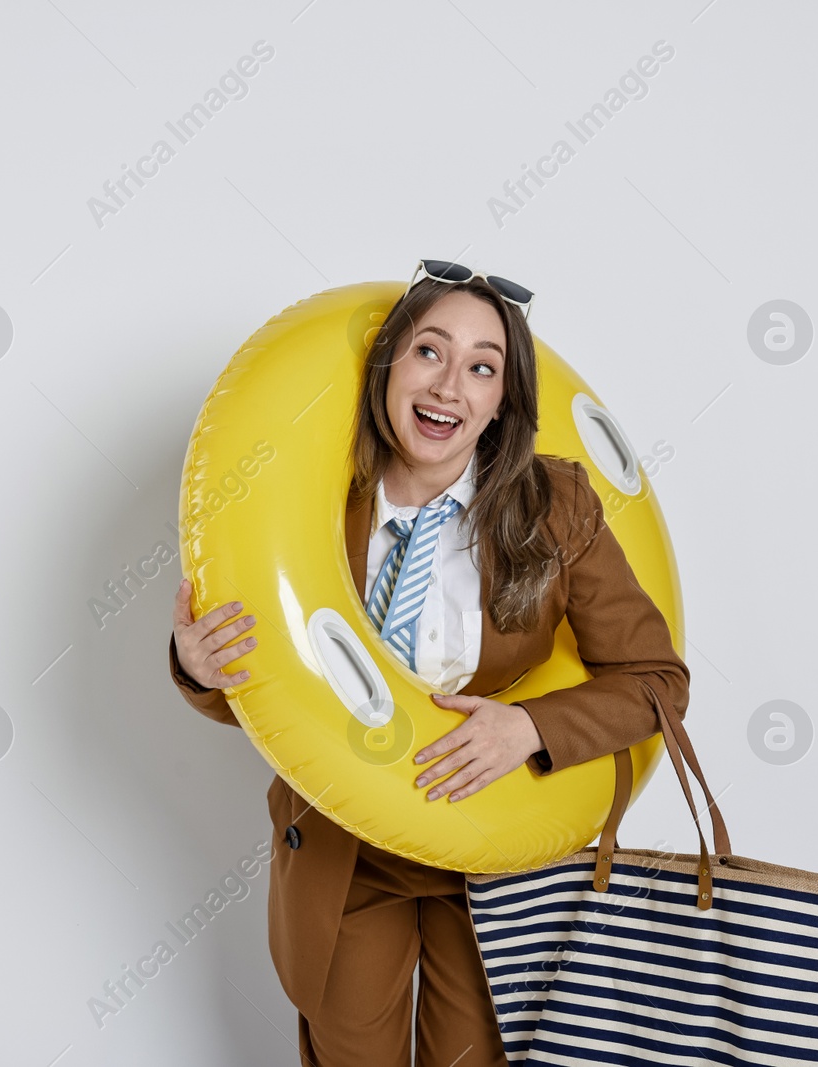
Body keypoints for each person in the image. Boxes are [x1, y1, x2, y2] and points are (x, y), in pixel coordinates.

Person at [167, 262, 691, 1067]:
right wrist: (199, 668)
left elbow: (658, 682)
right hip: (348, 848)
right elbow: (281, 683)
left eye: (483, 366)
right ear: (388, 367)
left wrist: (529, 727)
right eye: (429, 353)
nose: (450, 386)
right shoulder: (313, 505)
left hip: (493, 841)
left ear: (504, 400)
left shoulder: (556, 506)